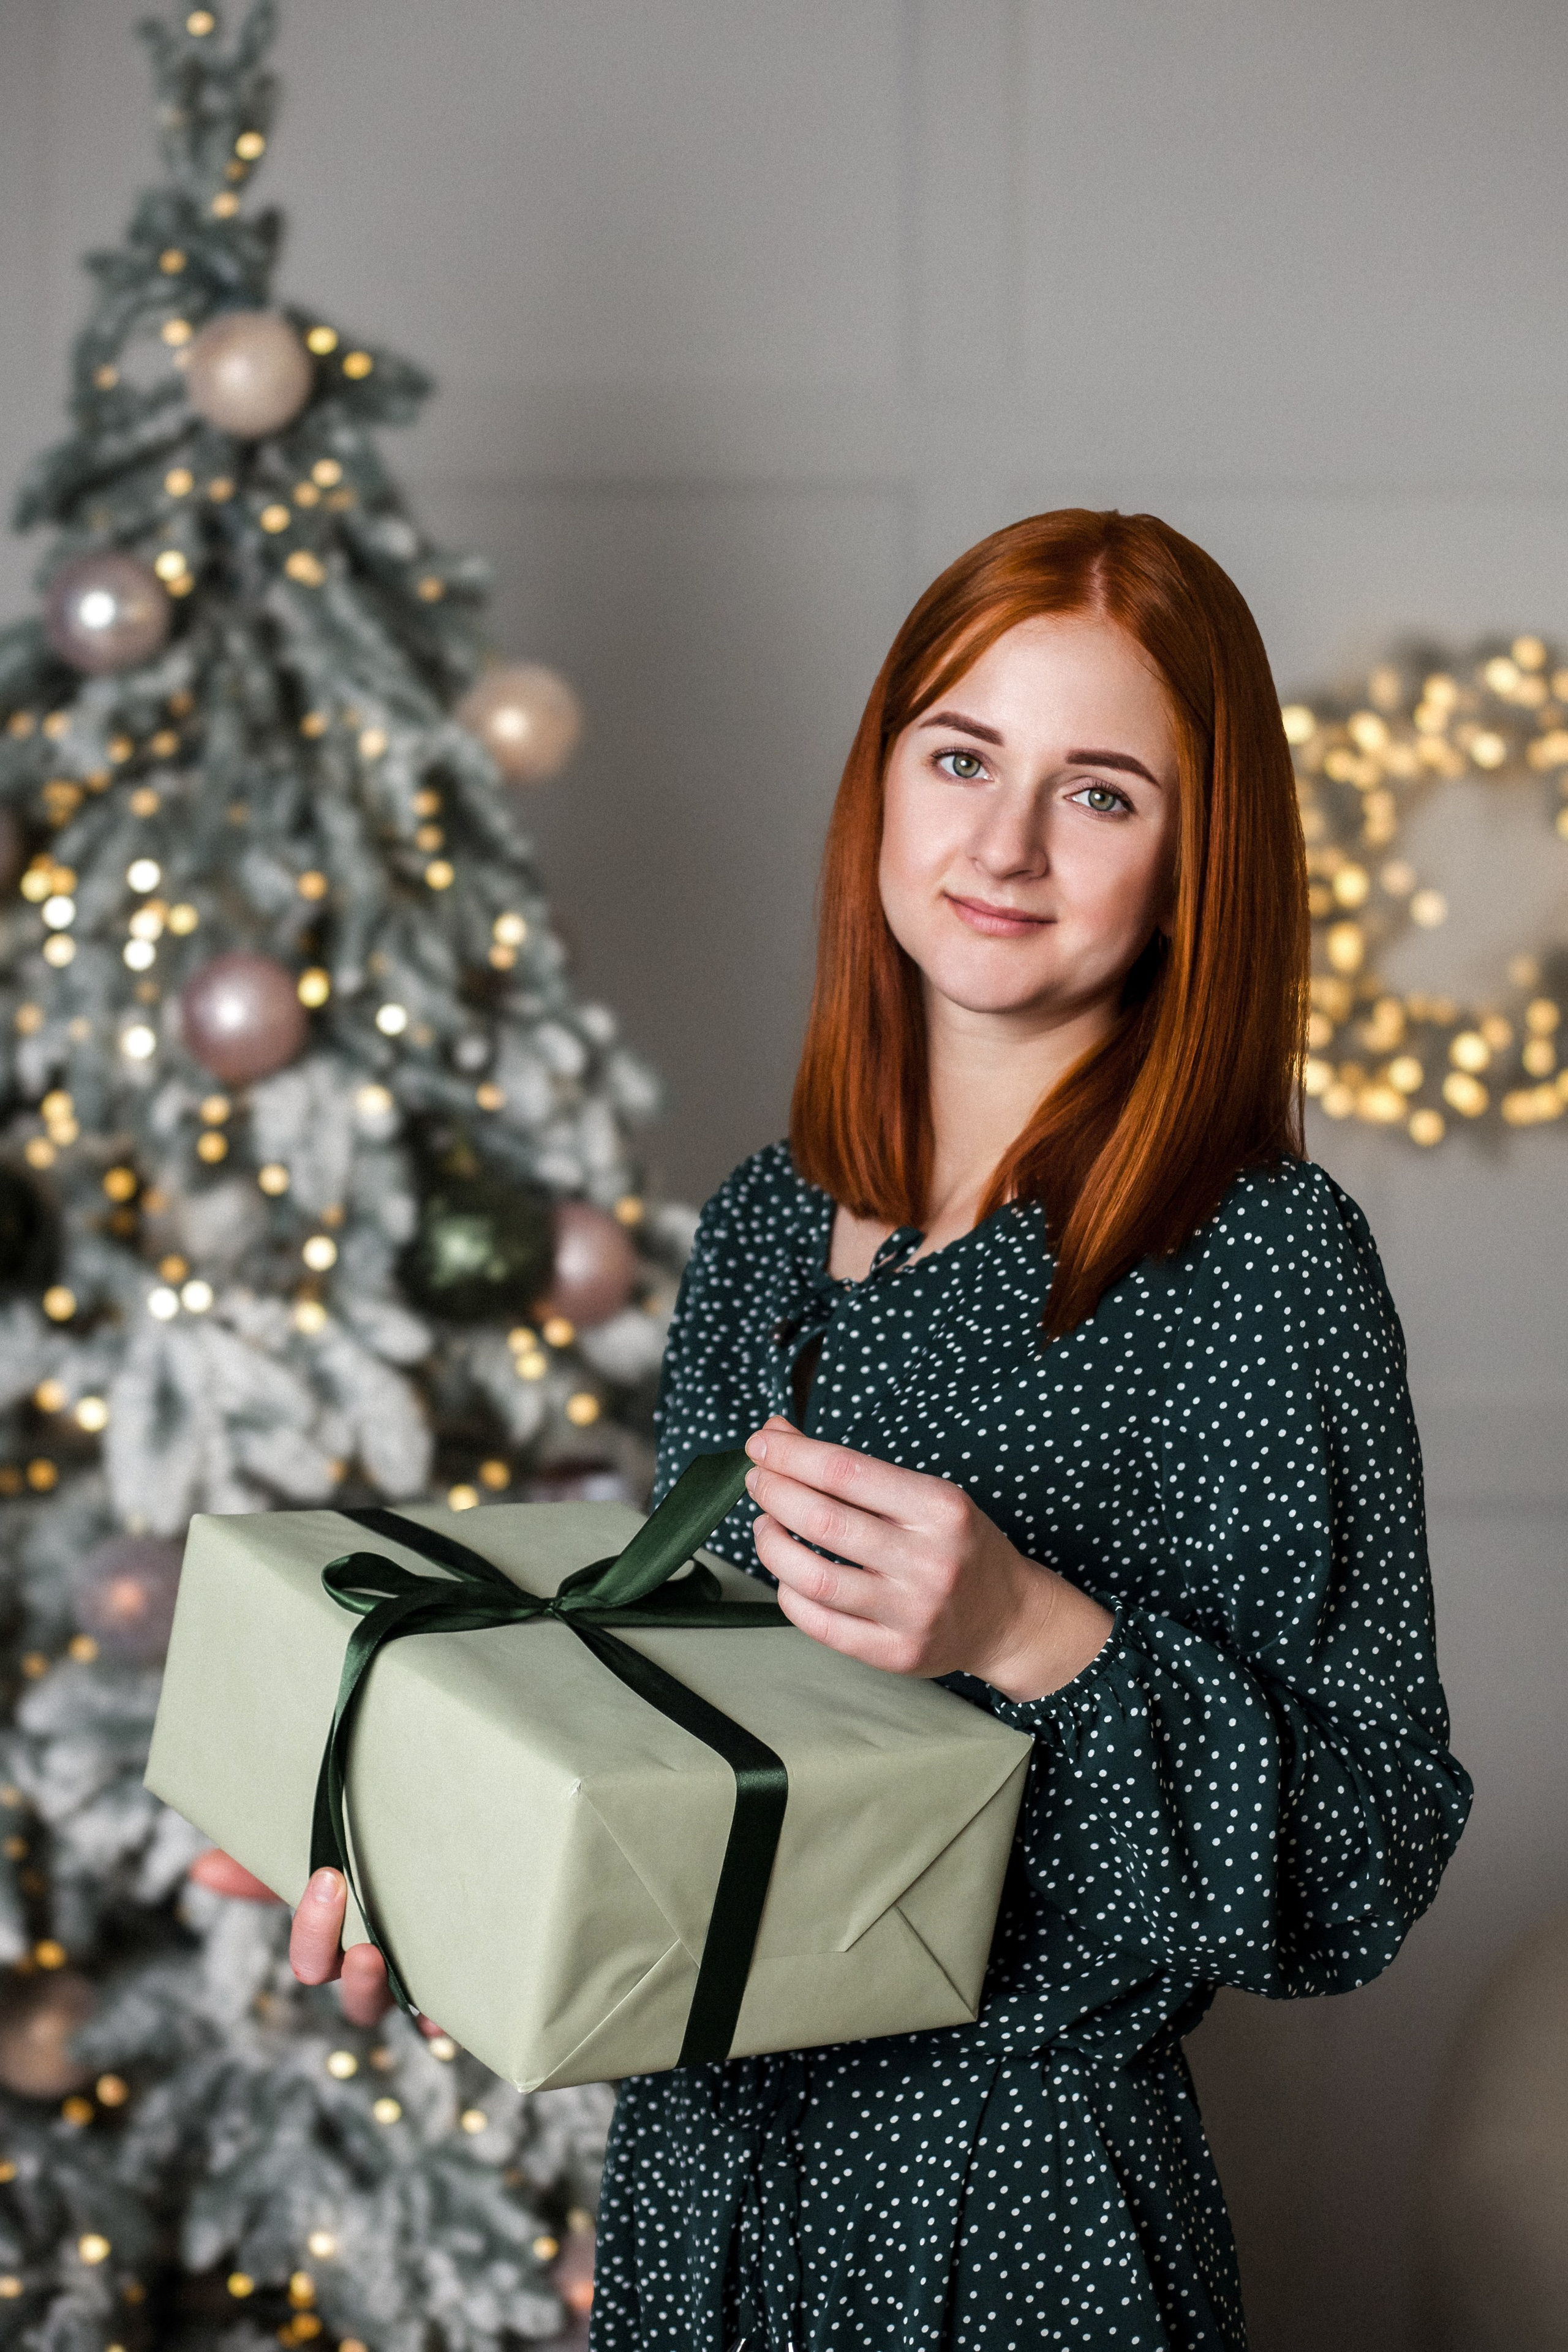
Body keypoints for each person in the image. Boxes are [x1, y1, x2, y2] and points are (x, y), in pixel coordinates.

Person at [285, 509, 1472, 2349]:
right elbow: (692, 1762)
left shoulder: (1255, 1257)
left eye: (1100, 795)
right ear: (883, 791)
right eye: (963, 760)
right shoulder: (767, 1221)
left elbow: (1362, 1857)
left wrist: (1032, 1634)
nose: (1005, 845)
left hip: (1016, 2230)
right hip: (698, 2206)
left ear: (1196, 861)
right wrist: (433, 1880)